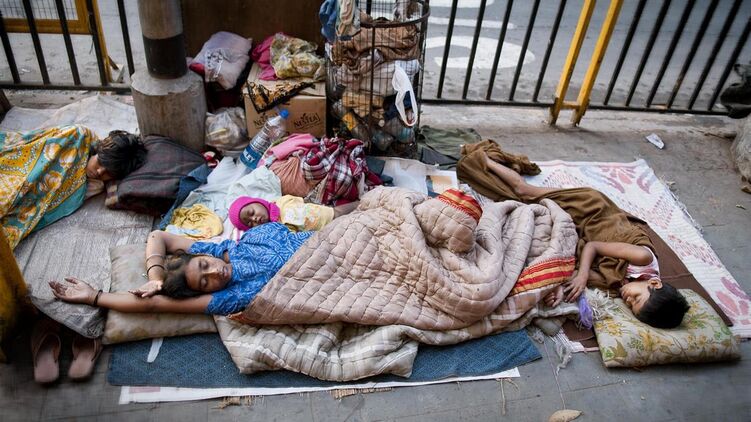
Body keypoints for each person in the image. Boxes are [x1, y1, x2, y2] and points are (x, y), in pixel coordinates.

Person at [457, 143, 689, 329]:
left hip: (582, 229)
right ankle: (483, 159)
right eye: (636, 298)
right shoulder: (643, 259)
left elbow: (579, 275)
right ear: (654, 283)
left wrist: (560, 286)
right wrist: (583, 275)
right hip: (594, 211)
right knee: (524, 193)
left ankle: (496, 168)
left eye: (631, 306)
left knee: (519, 209)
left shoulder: (620, 285)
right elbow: (593, 247)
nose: (627, 300)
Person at [49, 224, 313, 316]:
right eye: (205, 282)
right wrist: (94, 297)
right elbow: (153, 305)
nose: (214, 273)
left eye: (204, 265)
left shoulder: (220, 250)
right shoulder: (231, 296)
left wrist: (155, 278)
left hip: (324, 237)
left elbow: (158, 236)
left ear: (202, 256)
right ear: (202, 293)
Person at [1, 125, 146, 249]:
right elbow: (40, 148)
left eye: (108, 173)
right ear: (99, 150)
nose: (99, 172)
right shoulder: (78, 136)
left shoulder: (95, 185)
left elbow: (70, 197)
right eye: (100, 162)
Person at [228, 195, 359, 233]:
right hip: (323, 231)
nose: (255, 219)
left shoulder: (281, 201)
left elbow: (300, 200)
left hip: (326, 214)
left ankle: (365, 201)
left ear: (257, 202)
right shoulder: (276, 228)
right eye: (250, 224)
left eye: (251, 212)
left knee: (349, 209)